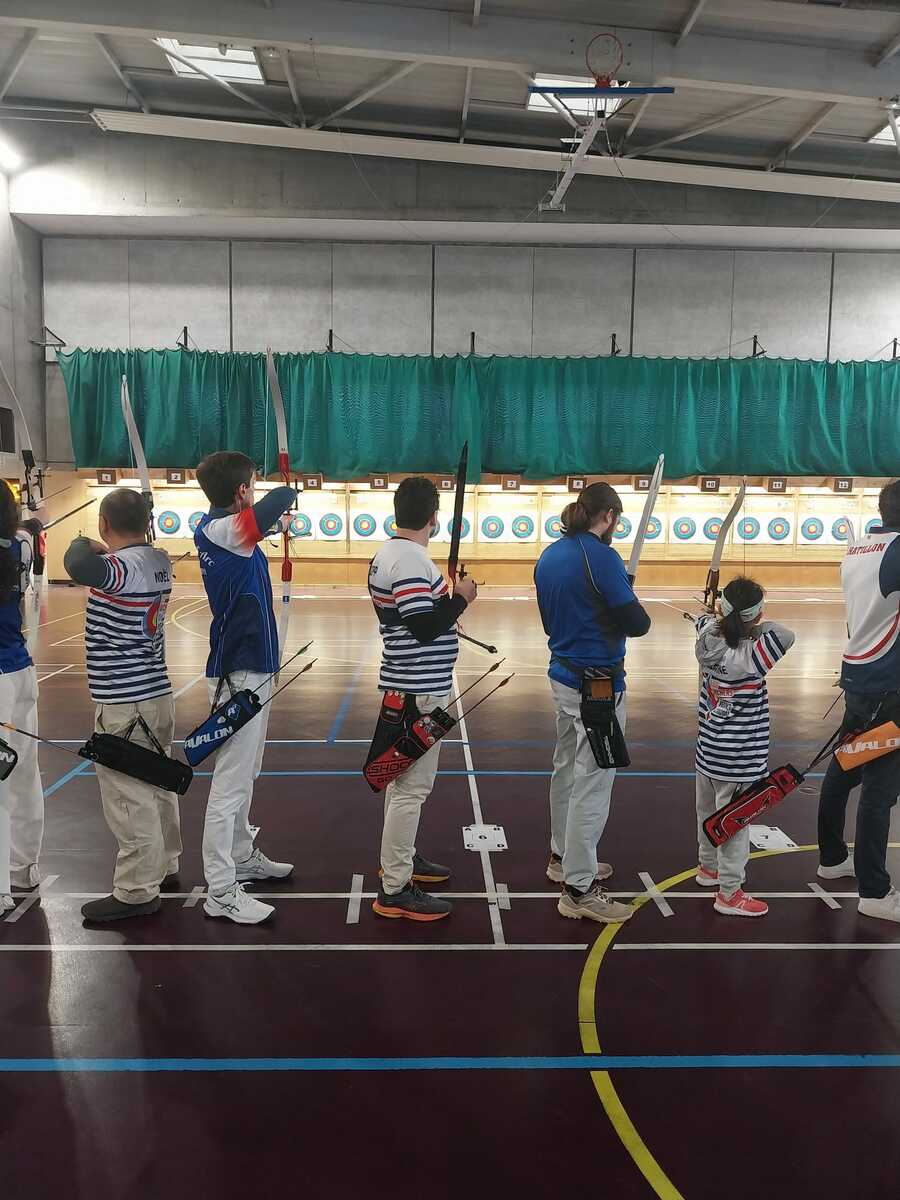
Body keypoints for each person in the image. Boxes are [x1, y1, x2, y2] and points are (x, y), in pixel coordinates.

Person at [534, 482, 650, 924]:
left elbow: (552, 620)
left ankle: (563, 857)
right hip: (596, 686)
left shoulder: (550, 555)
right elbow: (637, 623)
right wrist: (625, 596)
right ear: (610, 516)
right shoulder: (601, 557)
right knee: (593, 783)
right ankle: (579, 889)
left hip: (562, 676)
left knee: (566, 768)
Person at [64, 488, 178, 921]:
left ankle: (136, 890)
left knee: (127, 794)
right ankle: (164, 864)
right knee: (157, 781)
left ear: (104, 524)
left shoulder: (119, 568)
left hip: (124, 701)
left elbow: (77, 562)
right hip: (156, 694)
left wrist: (86, 541)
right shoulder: (158, 561)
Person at [194, 451, 297, 925]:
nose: (255, 492)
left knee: (246, 772)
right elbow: (274, 504)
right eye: (251, 485)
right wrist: (288, 486)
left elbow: (262, 522)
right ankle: (220, 889)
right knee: (229, 785)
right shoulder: (221, 531)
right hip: (239, 672)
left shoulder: (227, 532)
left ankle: (240, 856)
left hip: (254, 667)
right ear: (241, 491)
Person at [368, 476, 477, 922]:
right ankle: (395, 888)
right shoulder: (410, 560)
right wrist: (461, 600)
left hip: (410, 684)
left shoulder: (391, 554)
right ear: (434, 517)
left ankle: (400, 859)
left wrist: (446, 606)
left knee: (402, 783)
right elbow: (423, 627)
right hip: (419, 691)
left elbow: (418, 620)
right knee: (411, 788)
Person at [817, 480, 900, 923]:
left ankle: (832, 859)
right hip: (889, 690)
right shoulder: (897, 551)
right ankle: (874, 891)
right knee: (880, 789)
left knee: (846, 768)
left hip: (860, 680)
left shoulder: (859, 549)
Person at [694, 577, 795, 917]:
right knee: (734, 824)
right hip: (740, 761)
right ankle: (729, 893)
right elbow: (785, 634)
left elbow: (704, 621)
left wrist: (721, 619)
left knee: (707, 814)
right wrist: (752, 627)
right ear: (756, 615)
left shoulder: (707, 639)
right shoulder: (754, 654)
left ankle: (708, 868)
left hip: (708, 753)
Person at [0, 480, 44, 911]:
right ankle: (22, 867)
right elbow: (29, 527)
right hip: (21, 672)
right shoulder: (22, 547)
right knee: (23, 771)